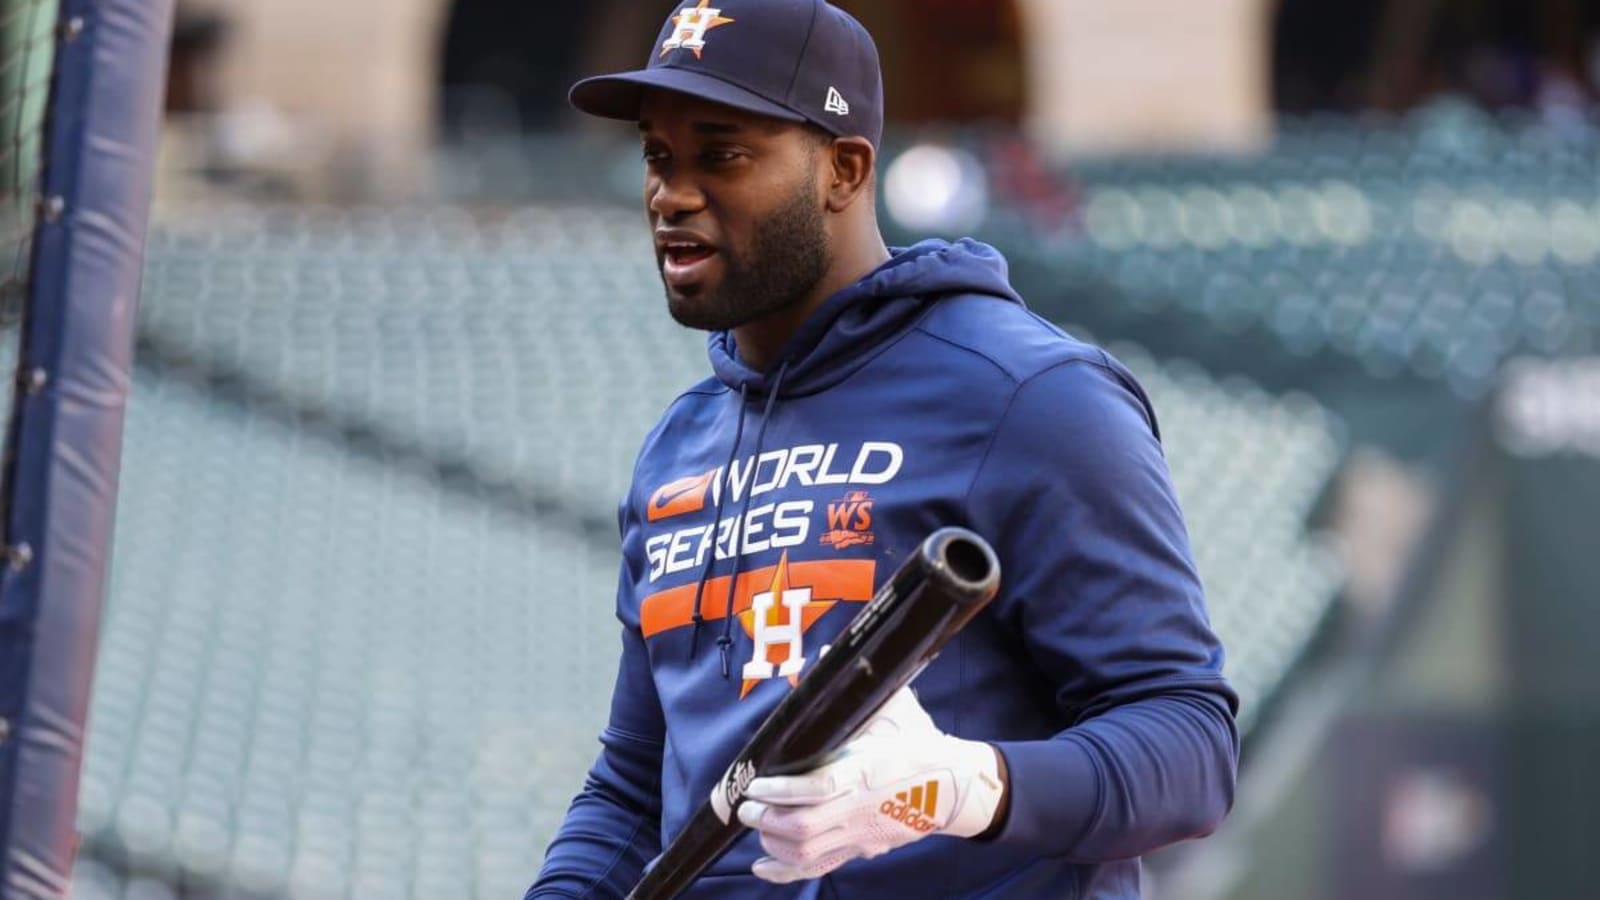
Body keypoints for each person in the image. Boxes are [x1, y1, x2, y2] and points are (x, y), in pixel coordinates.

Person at [530, 1, 1238, 896]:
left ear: (845, 168)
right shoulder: (680, 444)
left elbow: (1188, 743)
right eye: (658, 158)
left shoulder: (1032, 396)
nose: (672, 193)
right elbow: (635, 790)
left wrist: (961, 789)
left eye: (722, 154)